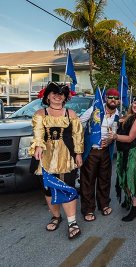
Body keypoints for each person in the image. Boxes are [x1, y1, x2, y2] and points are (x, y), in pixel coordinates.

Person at [30, 82, 83, 240]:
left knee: (67, 187)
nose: (58, 96)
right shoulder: (40, 113)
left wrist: (78, 154)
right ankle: (56, 216)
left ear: (65, 98)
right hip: (46, 155)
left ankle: (72, 222)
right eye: (54, 93)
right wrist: (38, 146)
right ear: (47, 96)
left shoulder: (71, 114)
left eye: (61, 94)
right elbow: (38, 131)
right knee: (48, 189)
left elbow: (78, 136)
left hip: (67, 155)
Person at [80, 88, 120, 222]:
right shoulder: (95, 109)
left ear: (119, 101)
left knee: (105, 179)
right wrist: (86, 138)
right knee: (88, 181)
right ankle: (88, 209)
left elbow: (115, 133)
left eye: (116, 98)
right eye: (110, 97)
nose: (113, 100)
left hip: (106, 151)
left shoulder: (117, 115)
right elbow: (79, 122)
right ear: (105, 99)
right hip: (91, 150)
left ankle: (104, 204)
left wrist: (111, 139)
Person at [111, 96, 136, 221]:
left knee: (130, 180)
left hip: (133, 153)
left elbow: (130, 138)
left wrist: (115, 136)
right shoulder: (127, 116)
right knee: (123, 178)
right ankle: (130, 201)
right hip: (122, 152)